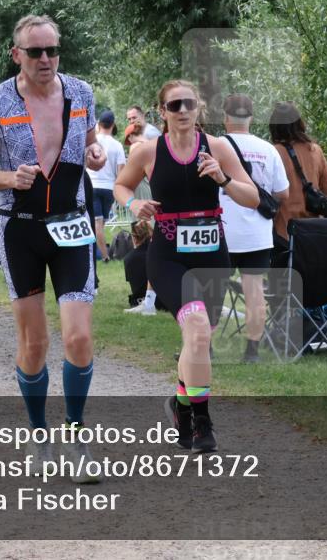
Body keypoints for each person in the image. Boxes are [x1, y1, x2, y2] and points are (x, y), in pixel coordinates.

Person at [0, 14, 108, 478]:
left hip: (71, 224)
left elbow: (90, 145)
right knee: (34, 343)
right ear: (17, 55)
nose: (46, 59)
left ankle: (75, 434)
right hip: (20, 227)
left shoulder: (81, 92)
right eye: (35, 52)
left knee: (79, 337)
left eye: (52, 50)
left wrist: (95, 154)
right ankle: (37, 434)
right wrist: (10, 177)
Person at [115, 79, 257, 452]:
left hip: (212, 254)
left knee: (199, 340)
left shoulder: (219, 147)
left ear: (199, 109)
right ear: (161, 112)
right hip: (167, 255)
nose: (182, 111)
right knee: (195, 330)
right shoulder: (147, 151)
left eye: (188, 104)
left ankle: (180, 406)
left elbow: (253, 198)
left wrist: (222, 179)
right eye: (174, 105)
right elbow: (121, 187)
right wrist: (134, 205)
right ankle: (202, 422)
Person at [218, 94, 290, 363]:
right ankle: (251, 351)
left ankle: (204, 345)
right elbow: (282, 192)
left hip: (222, 229)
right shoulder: (268, 149)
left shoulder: (216, 146)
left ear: (225, 118)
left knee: (211, 288)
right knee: (255, 291)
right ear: (250, 118)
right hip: (257, 233)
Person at [269, 102, 327, 246]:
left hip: (284, 228)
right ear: (299, 123)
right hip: (312, 227)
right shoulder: (315, 150)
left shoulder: (273, 152)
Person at [87, 110, 126, 262]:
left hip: (92, 185)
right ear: (113, 125)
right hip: (109, 188)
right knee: (101, 223)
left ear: (98, 123)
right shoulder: (117, 145)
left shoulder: (91, 142)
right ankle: (103, 254)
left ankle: (103, 255)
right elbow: (121, 172)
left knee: (96, 222)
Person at [123, 219, 162, 310]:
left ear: (134, 237)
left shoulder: (128, 258)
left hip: (138, 300)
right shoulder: (159, 254)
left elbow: (133, 283)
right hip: (162, 300)